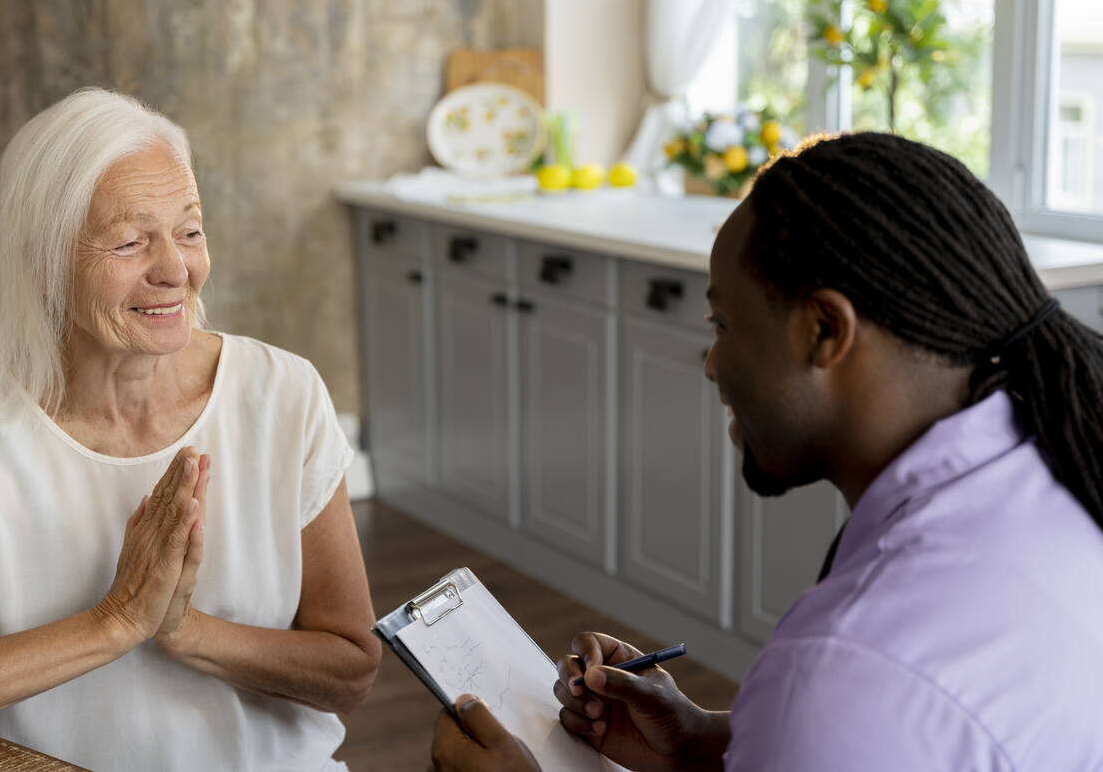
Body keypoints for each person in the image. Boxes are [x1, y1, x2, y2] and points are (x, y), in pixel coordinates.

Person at [428, 131, 1103, 771]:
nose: (712, 363)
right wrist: (705, 743)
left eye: (723, 323)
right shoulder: (1059, 462)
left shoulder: (847, 672)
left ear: (824, 330)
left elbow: (862, 717)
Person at [0, 88, 381, 771]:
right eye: (129, 241)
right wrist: (115, 619)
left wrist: (183, 627)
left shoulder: (283, 393)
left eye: (190, 230)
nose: (176, 270)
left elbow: (351, 666)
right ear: (43, 260)